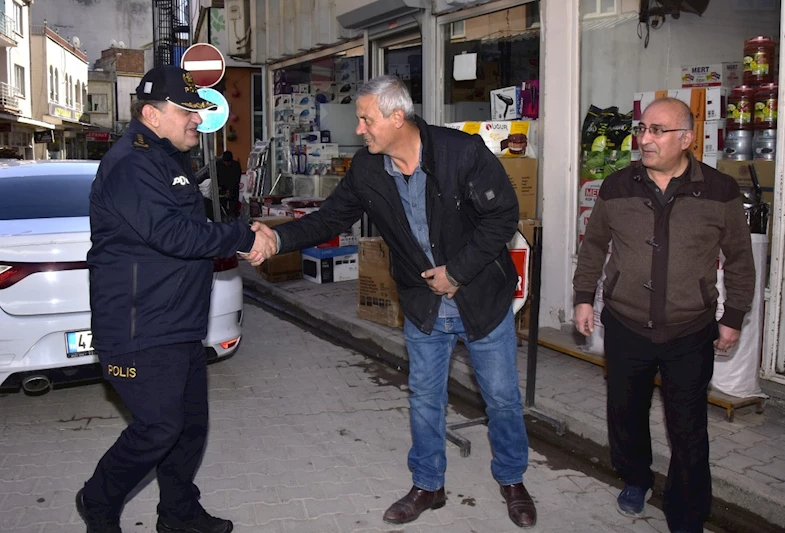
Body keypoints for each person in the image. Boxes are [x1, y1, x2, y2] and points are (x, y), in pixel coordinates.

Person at [252, 75, 537, 528]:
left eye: (366, 119)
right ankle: (428, 484)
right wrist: (278, 238)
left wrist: (457, 273)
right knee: (425, 397)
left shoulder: (460, 153)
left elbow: (502, 216)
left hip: (480, 297)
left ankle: (512, 479)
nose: (359, 129)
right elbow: (329, 218)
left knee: (501, 398)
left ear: (397, 117)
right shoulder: (367, 170)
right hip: (423, 305)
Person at [79, 65, 271, 533]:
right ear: (151, 114)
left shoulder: (167, 158)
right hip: (139, 326)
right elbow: (171, 234)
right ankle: (98, 503)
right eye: (186, 111)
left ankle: (179, 514)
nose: (196, 120)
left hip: (178, 321)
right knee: (158, 428)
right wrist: (244, 237)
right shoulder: (132, 163)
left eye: (198, 111)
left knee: (188, 428)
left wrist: (234, 234)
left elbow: (190, 231)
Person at [572, 97, 755, 533]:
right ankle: (636, 478)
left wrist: (734, 317)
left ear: (687, 139)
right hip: (625, 323)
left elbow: (741, 259)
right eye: (643, 129)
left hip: (689, 328)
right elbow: (595, 244)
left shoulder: (719, 190)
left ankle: (688, 513)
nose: (644, 139)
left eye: (657, 130)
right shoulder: (617, 186)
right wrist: (583, 297)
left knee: (688, 428)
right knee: (625, 412)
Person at [217, 151, 243, 218]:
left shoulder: (236, 166)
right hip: (222, 190)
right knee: (222, 209)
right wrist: (223, 189)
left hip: (233, 190)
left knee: (233, 209)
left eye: (228, 162)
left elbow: (236, 179)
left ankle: (233, 220)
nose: (226, 163)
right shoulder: (219, 165)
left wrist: (230, 189)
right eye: (225, 162)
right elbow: (218, 178)